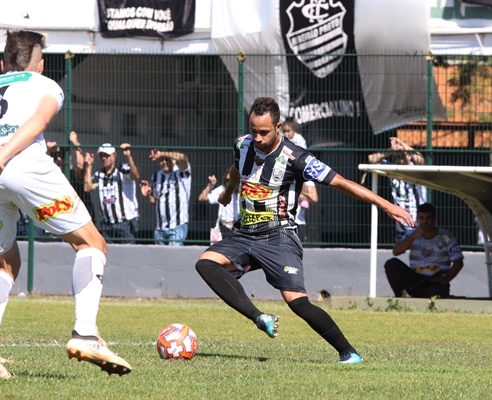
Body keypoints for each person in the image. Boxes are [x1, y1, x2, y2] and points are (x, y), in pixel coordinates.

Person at [194, 97, 413, 364]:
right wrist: (228, 192)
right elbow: (237, 169)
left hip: (279, 236)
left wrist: (387, 205)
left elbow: (341, 182)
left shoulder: (297, 157)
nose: (258, 138)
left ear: (278, 127)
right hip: (244, 234)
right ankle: (259, 317)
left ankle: (349, 352)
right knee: (205, 264)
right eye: (254, 131)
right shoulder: (243, 145)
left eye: (264, 132)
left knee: (297, 302)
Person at [0, 29, 131, 379]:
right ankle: (86, 335)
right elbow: (39, 121)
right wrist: (5, 153)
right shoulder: (45, 84)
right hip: (22, 166)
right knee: (91, 243)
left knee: (5, 261)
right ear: (39, 64)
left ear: (4, 62)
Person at [384, 203, 464, 298]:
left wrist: (446, 279)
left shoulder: (446, 236)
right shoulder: (411, 234)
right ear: (417, 219)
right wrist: (414, 235)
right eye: (421, 218)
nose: (425, 222)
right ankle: (400, 298)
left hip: (435, 279)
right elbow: (396, 252)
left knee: (438, 289)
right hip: (415, 279)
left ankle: (426, 301)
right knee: (391, 264)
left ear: (434, 218)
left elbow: (458, 262)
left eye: (428, 218)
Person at [368, 137, 427, 241]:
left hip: (420, 225)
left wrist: (403, 145)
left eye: (403, 155)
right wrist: (391, 151)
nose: (400, 158)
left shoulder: (417, 168)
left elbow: (420, 160)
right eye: (397, 156)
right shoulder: (392, 168)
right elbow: (371, 159)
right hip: (401, 227)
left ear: (409, 156)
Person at [84, 142, 140, 244]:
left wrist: (129, 157)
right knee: (109, 255)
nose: (104, 158)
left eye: (107, 155)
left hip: (125, 222)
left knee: (127, 254)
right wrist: (88, 166)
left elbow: (135, 175)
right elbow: (87, 187)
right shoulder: (99, 174)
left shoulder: (122, 169)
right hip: (107, 224)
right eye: (102, 156)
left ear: (114, 155)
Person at [140, 149, 191, 246]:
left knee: (173, 258)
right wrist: (147, 196)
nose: (164, 162)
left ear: (174, 160)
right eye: (161, 160)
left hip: (177, 226)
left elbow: (183, 158)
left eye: (167, 159)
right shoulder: (156, 176)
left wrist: (161, 154)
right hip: (160, 228)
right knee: (160, 260)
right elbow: (154, 202)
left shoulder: (181, 173)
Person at [282, 118, 318, 242]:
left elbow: (300, 161)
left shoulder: (299, 140)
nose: (286, 134)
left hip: (298, 172)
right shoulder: (282, 139)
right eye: (284, 131)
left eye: (288, 131)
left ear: (294, 130)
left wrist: (302, 194)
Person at [198, 169, 240, 240]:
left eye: (232, 180)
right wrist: (210, 185)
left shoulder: (240, 191)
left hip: (238, 228)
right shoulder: (221, 190)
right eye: (227, 180)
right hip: (224, 228)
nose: (230, 182)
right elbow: (202, 198)